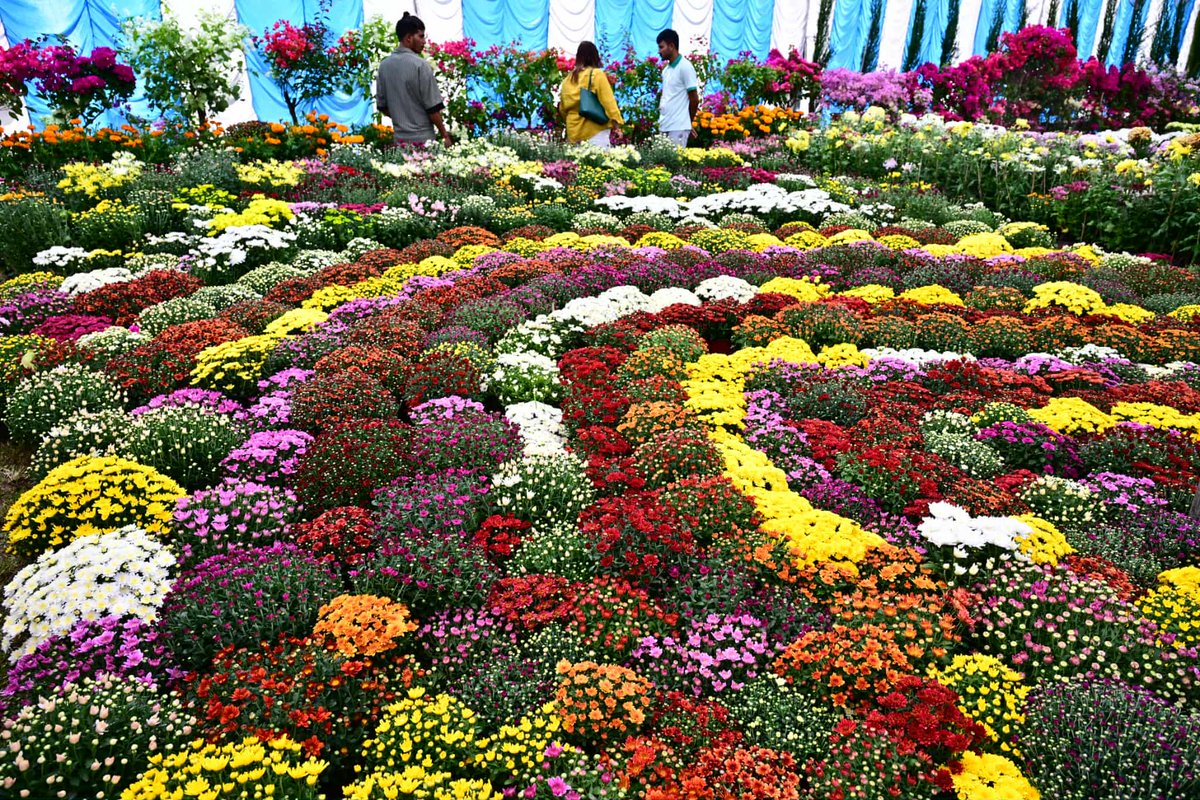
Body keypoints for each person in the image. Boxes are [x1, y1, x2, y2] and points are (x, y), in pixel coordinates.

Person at [375, 12, 453, 147]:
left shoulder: (384, 66)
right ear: (409, 38)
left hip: (399, 141)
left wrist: (402, 119)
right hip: (424, 141)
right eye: (421, 36)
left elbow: (382, 106)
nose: (424, 41)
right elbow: (433, 109)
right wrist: (444, 134)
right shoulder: (421, 65)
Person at [558, 41, 624, 148]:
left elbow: (562, 109)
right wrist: (617, 126)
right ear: (595, 56)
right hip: (595, 130)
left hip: (573, 132)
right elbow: (608, 102)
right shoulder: (596, 74)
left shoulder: (568, 79)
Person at [656, 29, 699, 147]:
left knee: (674, 164)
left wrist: (688, 123)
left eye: (661, 47)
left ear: (671, 46)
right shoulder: (666, 70)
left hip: (678, 126)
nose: (659, 51)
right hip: (664, 124)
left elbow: (694, 99)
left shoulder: (685, 67)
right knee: (660, 164)